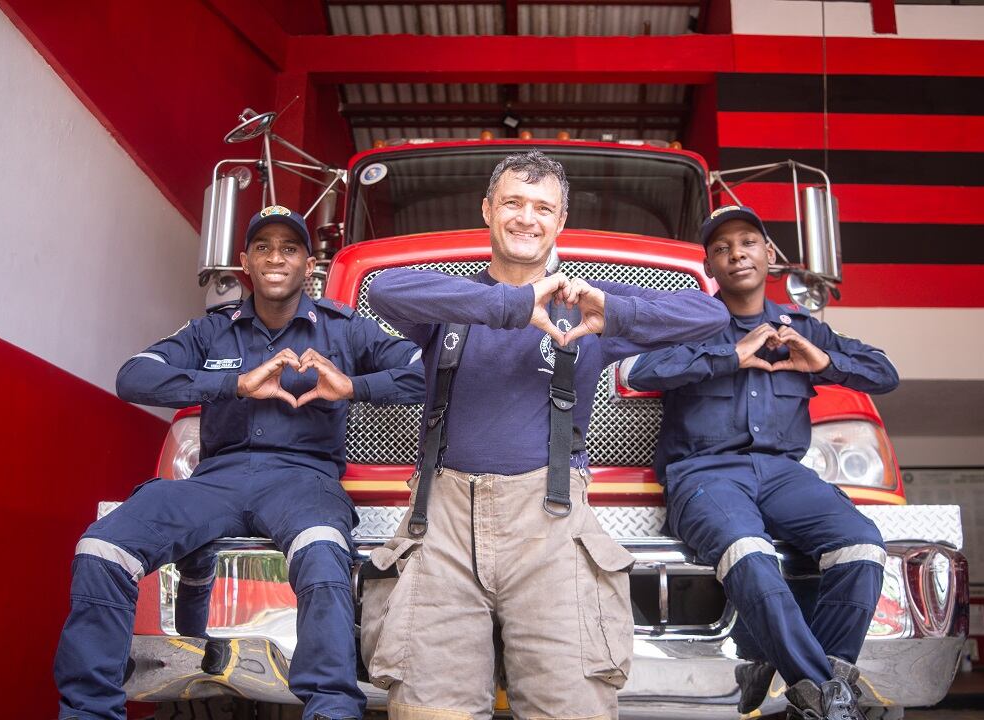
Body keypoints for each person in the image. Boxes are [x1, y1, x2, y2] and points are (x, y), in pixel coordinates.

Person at [362, 149, 729, 720]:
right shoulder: (451, 302)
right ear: (487, 210)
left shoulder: (587, 308)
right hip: (441, 526)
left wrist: (617, 311)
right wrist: (508, 305)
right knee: (428, 710)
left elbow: (710, 316)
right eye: (512, 202)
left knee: (571, 709)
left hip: (552, 529)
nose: (526, 218)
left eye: (542, 207)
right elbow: (383, 290)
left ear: (561, 221)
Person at [53, 206, 425, 720]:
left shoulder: (344, 330)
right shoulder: (212, 331)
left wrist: (353, 386)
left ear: (308, 264)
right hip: (215, 483)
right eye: (263, 247)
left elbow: (424, 372)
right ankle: (89, 710)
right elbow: (133, 376)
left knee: (322, 551)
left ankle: (332, 708)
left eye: (289, 248)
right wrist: (234, 384)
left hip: (303, 481)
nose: (276, 258)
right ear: (245, 262)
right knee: (101, 547)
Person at [620, 205, 899, 720]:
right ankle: (825, 697)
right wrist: (730, 355)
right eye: (721, 248)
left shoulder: (805, 329)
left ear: (769, 254)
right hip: (704, 474)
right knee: (748, 551)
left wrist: (824, 361)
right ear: (709, 264)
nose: (736, 254)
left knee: (862, 544)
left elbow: (885, 373)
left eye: (748, 242)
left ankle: (805, 681)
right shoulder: (691, 322)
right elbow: (637, 371)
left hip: (784, 475)